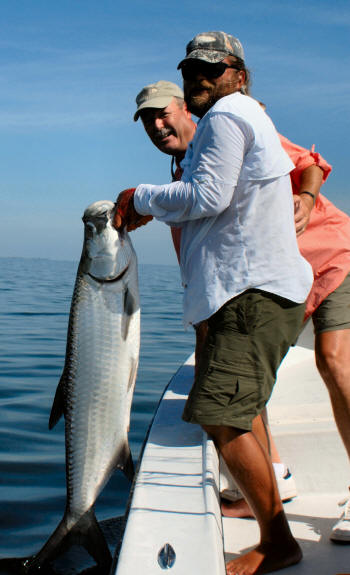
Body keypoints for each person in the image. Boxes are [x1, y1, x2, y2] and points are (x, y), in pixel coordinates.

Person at [116, 31, 314, 575]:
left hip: (250, 295)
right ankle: (274, 527)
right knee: (235, 413)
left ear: (239, 74)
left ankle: (279, 541)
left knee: (220, 419)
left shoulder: (228, 116)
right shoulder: (242, 118)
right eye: (191, 70)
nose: (200, 78)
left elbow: (208, 197)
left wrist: (141, 197)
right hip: (246, 296)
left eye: (213, 69)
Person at [133, 79, 350, 540]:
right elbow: (205, 278)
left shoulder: (238, 128)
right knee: (237, 384)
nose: (157, 124)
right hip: (266, 296)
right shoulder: (184, 182)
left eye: (163, 112)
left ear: (185, 108)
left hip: (328, 259)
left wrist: (307, 199)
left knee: (334, 362)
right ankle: (275, 480)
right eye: (147, 120)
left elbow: (310, 164)